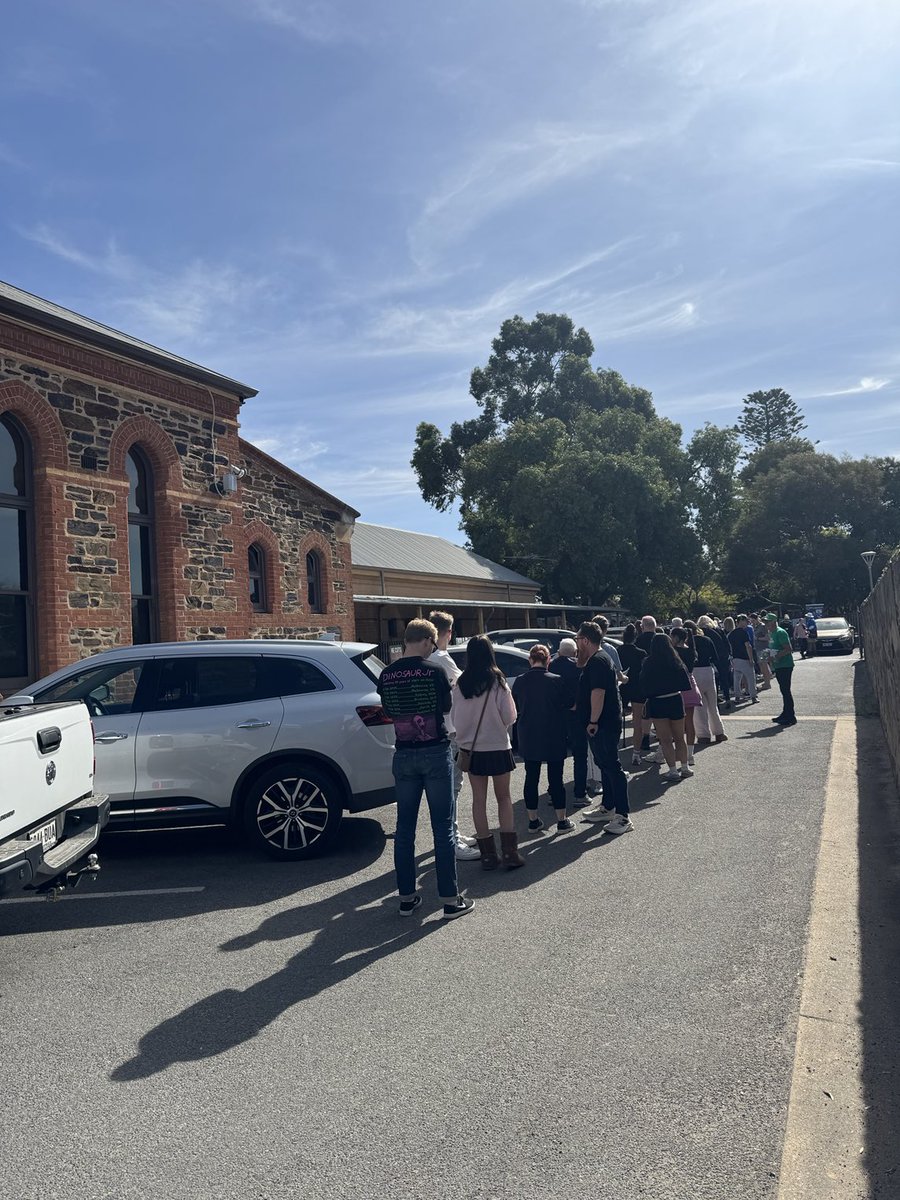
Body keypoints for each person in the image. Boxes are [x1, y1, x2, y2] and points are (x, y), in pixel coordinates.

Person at [377, 619, 474, 919]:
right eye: (432, 645)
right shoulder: (433, 671)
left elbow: (389, 710)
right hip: (434, 751)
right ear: (426, 641)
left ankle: (406, 898)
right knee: (442, 827)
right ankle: (449, 899)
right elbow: (445, 707)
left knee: (404, 829)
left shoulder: (386, 674)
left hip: (404, 754)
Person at [451, 635, 523, 869]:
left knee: (478, 800)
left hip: (471, 749)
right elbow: (510, 716)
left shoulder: (461, 683)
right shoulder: (498, 681)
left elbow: (455, 719)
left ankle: (488, 855)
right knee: (504, 798)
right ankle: (511, 853)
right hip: (497, 746)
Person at [426, 610, 481, 862]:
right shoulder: (443, 658)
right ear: (447, 633)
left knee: (447, 788)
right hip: (450, 731)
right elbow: (465, 686)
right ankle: (452, 838)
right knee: (452, 787)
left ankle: (450, 834)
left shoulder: (427, 658)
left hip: (435, 729)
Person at [575, 622, 633, 834]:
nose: (576, 644)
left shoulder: (598, 661)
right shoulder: (597, 659)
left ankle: (623, 816)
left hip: (603, 723)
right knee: (605, 765)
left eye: (577, 640)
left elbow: (597, 693)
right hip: (603, 722)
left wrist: (593, 721)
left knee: (612, 766)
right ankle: (608, 807)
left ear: (586, 640)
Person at [512, 645, 575, 834]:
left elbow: (515, 706)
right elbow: (570, 704)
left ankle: (533, 821)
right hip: (553, 732)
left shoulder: (520, 681)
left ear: (530, 660)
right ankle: (561, 820)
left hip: (528, 732)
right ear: (548, 660)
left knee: (531, 777)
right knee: (556, 778)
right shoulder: (556, 680)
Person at [639, 633, 693, 780]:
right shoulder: (676, 660)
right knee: (679, 737)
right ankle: (685, 767)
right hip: (675, 699)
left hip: (658, 702)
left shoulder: (648, 662)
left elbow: (643, 685)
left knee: (665, 739)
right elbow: (685, 683)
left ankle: (673, 770)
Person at [549, 637, 589, 807]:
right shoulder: (579, 667)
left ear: (558, 652)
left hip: (556, 717)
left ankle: (554, 792)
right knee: (580, 756)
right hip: (577, 716)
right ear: (575, 652)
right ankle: (580, 793)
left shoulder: (551, 666)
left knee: (555, 757)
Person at [618, 623, 647, 768]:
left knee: (616, 720)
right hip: (637, 688)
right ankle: (636, 753)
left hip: (621, 687)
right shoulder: (641, 653)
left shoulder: (617, 651)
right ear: (635, 637)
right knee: (637, 723)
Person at [694, 617, 727, 743]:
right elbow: (715, 657)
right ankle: (719, 732)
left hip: (696, 671)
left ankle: (703, 735)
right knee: (713, 705)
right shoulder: (708, 639)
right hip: (708, 670)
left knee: (699, 707)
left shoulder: (689, 642)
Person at [670, 626, 700, 766]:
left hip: (678, 687)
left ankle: (679, 754)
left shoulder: (674, 652)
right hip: (691, 686)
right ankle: (690, 754)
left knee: (677, 725)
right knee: (690, 723)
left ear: (676, 637)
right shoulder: (691, 651)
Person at [767, 613, 797, 726]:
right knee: (784, 691)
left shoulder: (780, 632)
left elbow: (788, 649)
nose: (766, 624)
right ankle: (786, 713)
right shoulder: (772, 633)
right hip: (779, 665)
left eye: (768, 621)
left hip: (785, 665)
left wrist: (776, 656)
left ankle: (790, 716)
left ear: (774, 622)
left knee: (786, 690)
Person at [703, 615, 733, 710]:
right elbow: (726, 643)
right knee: (724, 679)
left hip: (712, 658)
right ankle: (727, 698)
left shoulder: (703, 633)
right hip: (723, 657)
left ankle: (715, 701)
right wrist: (729, 654)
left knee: (714, 680)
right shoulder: (718, 630)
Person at [728, 614, 758, 705]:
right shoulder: (744, 632)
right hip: (744, 658)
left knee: (737, 679)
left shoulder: (730, 634)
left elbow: (729, 647)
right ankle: (753, 696)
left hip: (735, 659)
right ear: (740, 621)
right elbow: (748, 646)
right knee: (750, 678)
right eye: (745, 621)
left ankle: (737, 697)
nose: (747, 623)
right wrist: (751, 658)